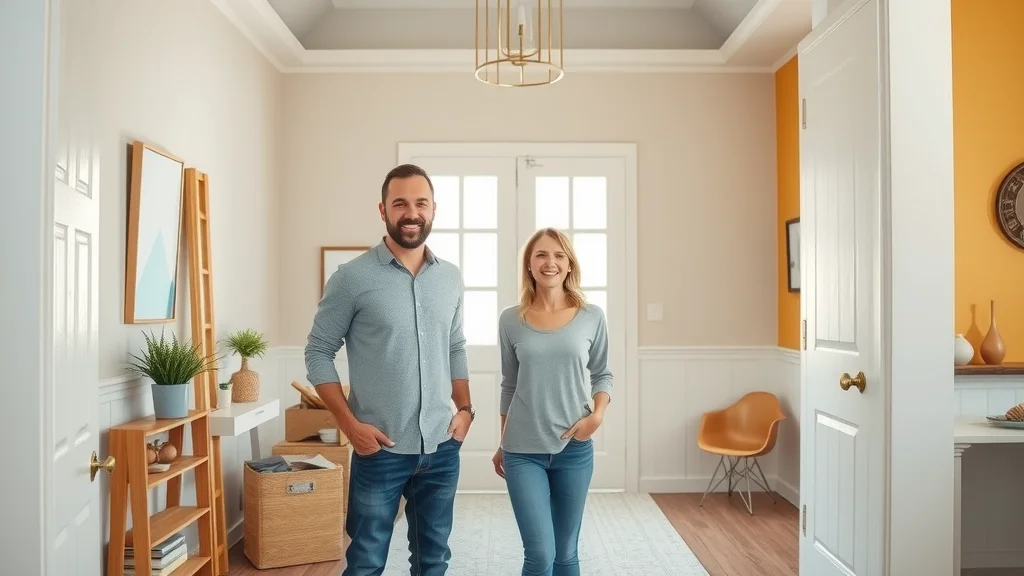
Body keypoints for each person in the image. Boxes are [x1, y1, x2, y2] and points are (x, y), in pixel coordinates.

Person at [305, 163, 474, 576]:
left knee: (434, 560)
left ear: (434, 209)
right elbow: (318, 353)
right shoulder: (352, 278)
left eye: (420, 203)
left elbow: (455, 345)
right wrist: (349, 424)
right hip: (378, 447)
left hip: (441, 444)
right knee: (365, 562)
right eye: (400, 203)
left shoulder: (450, 278)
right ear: (383, 210)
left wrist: (466, 410)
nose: (411, 213)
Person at [491, 227, 613, 576]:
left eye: (559, 255)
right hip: (522, 450)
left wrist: (597, 416)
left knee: (565, 554)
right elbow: (509, 385)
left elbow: (603, 374)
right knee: (540, 554)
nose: (550, 262)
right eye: (541, 255)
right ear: (529, 265)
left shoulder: (591, 316)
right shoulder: (510, 319)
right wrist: (502, 443)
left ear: (569, 263)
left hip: (574, 449)